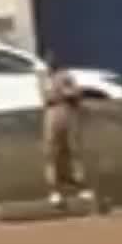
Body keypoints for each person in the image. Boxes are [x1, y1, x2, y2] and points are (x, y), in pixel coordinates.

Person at [42, 61, 94, 208]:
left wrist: (67, 92)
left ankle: (81, 187)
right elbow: (46, 98)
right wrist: (59, 92)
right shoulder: (45, 79)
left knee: (73, 151)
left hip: (68, 113)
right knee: (52, 154)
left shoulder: (67, 76)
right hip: (53, 115)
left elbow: (76, 94)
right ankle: (55, 192)